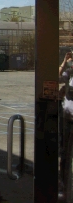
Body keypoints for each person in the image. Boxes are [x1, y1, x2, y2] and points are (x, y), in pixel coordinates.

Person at [59, 50, 73, 201]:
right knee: (64, 152)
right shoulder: (69, 73)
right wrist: (64, 62)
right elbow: (56, 78)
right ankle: (63, 183)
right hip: (68, 118)